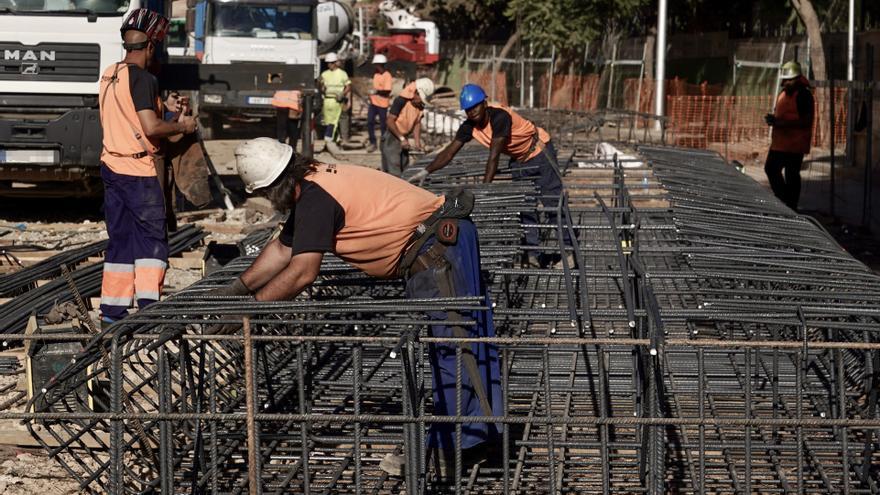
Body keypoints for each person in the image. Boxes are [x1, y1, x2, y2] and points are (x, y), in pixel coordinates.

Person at [216, 137, 502, 477]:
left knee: (453, 349)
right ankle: (477, 439)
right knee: (464, 344)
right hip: (440, 244)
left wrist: (250, 311)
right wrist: (238, 288)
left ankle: (447, 453)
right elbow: (282, 249)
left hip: (438, 250)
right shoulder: (317, 181)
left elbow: (303, 272)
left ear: (274, 188)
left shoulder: (316, 198)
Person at [98, 8, 198, 328]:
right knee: (152, 241)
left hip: (111, 165)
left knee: (121, 239)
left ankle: (112, 312)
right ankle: (149, 307)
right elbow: (151, 128)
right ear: (151, 45)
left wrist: (162, 108)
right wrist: (181, 125)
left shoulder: (110, 74)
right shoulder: (144, 78)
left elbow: (128, 117)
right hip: (137, 172)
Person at [409, 83, 572, 268]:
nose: (472, 112)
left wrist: (483, 191)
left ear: (484, 103)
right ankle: (532, 254)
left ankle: (567, 251)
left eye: (475, 106)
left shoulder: (499, 117)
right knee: (525, 208)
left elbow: (493, 157)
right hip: (519, 159)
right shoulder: (469, 126)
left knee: (553, 205)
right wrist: (426, 170)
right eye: (468, 110)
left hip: (540, 152)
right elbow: (449, 153)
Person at [764, 61, 814, 211]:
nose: (785, 83)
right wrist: (774, 119)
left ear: (797, 79)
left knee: (792, 175)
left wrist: (781, 123)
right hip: (780, 143)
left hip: (795, 144)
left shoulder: (804, 95)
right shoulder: (784, 94)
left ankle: (791, 206)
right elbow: (784, 115)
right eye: (784, 80)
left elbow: (806, 121)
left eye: (788, 80)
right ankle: (785, 201)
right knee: (771, 169)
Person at [381, 78, 434, 177]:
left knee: (405, 168)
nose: (420, 102)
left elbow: (417, 123)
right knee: (394, 171)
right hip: (392, 137)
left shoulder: (419, 106)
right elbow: (390, 120)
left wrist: (417, 142)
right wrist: (401, 138)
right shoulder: (401, 101)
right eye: (420, 99)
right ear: (416, 93)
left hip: (403, 137)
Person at [318, 52, 350, 151]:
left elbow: (348, 86)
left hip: (337, 101)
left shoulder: (342, 74)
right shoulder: (325, 74)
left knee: (334, 121)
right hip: (327, 100)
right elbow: (321, 86)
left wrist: (343, 94)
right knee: (328, 122)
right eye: (328, 63)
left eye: (331, 63)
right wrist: (322, 88)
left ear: (336, 63)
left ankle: (329, 140)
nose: (329, 65)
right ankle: (334, 140)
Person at [367, 54, 393, 153]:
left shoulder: (387, 75)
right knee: (370, 122)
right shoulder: (376, 74)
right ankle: (372, 142)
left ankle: (384, 143)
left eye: (377, 65)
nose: (376, 67)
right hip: (373, 102)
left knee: (383, 125)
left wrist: (376, 92)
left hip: (382, 104)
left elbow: (387, 91)